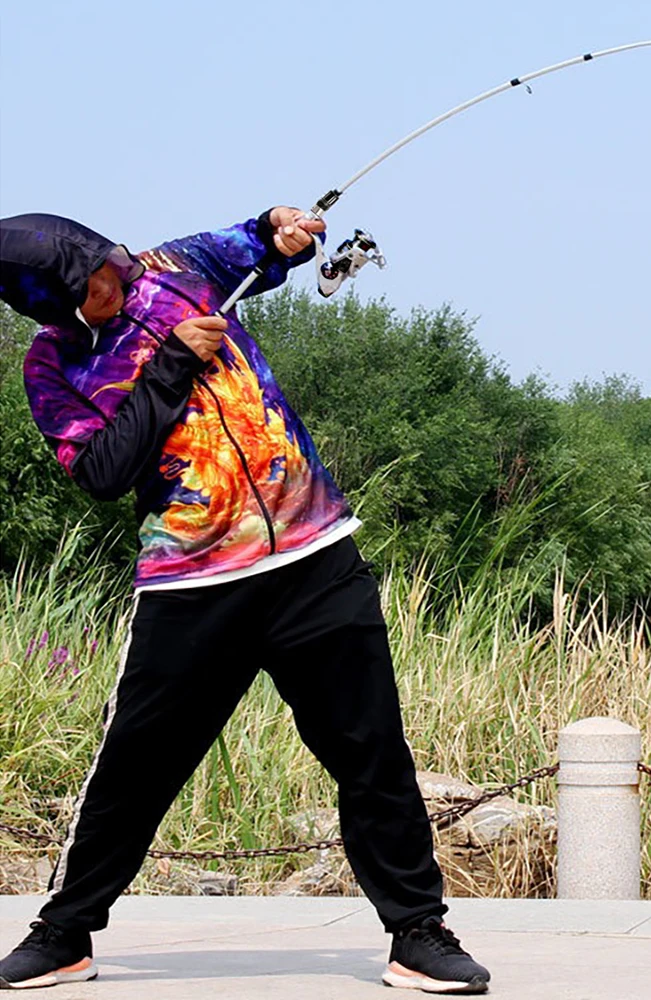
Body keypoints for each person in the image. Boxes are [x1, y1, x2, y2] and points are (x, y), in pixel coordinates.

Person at [0, 209, 490, 994]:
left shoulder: (176, 268)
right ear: (46, 305)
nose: (107, 289)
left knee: (372, 753)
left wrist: (284, 228)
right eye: (86, 290)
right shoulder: (52, 365)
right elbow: (101, 472)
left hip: (315, 557)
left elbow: (263, 243)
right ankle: (64, 934)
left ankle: (418, 932)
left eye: (104, 270)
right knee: (134, 769)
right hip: (194, 584)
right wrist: (169, 367)